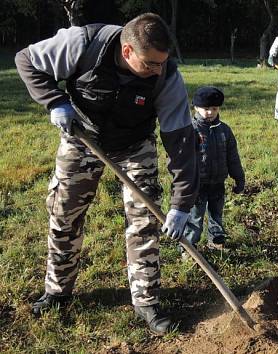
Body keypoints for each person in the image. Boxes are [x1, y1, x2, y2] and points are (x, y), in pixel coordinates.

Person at [14, 13, 198, 335]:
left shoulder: (166, 77)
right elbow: (27, 60)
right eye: (150, 63)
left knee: (144, 220)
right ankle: (57, 291)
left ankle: (146, 302)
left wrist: (182, 204)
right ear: (127, 52)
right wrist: (55, 101)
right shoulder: (82, 44)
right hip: (81, 136)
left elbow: (181, 144)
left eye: (162, 63)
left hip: (133, 145)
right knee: (64, 215)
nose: (158, 70)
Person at [181, 86, 245, 256]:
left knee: (217, 214)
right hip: (197, 185)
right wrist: (184, 183)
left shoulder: (225, 130)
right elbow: (182, 161)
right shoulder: (191, 130)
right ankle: (189, 247)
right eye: (206, 109)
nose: (210, 112)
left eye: (214, 109)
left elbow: (233, 157)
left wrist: (239, 178)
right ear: (196, 108)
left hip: (218, 183)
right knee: (195, 217)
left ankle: (216, 240)